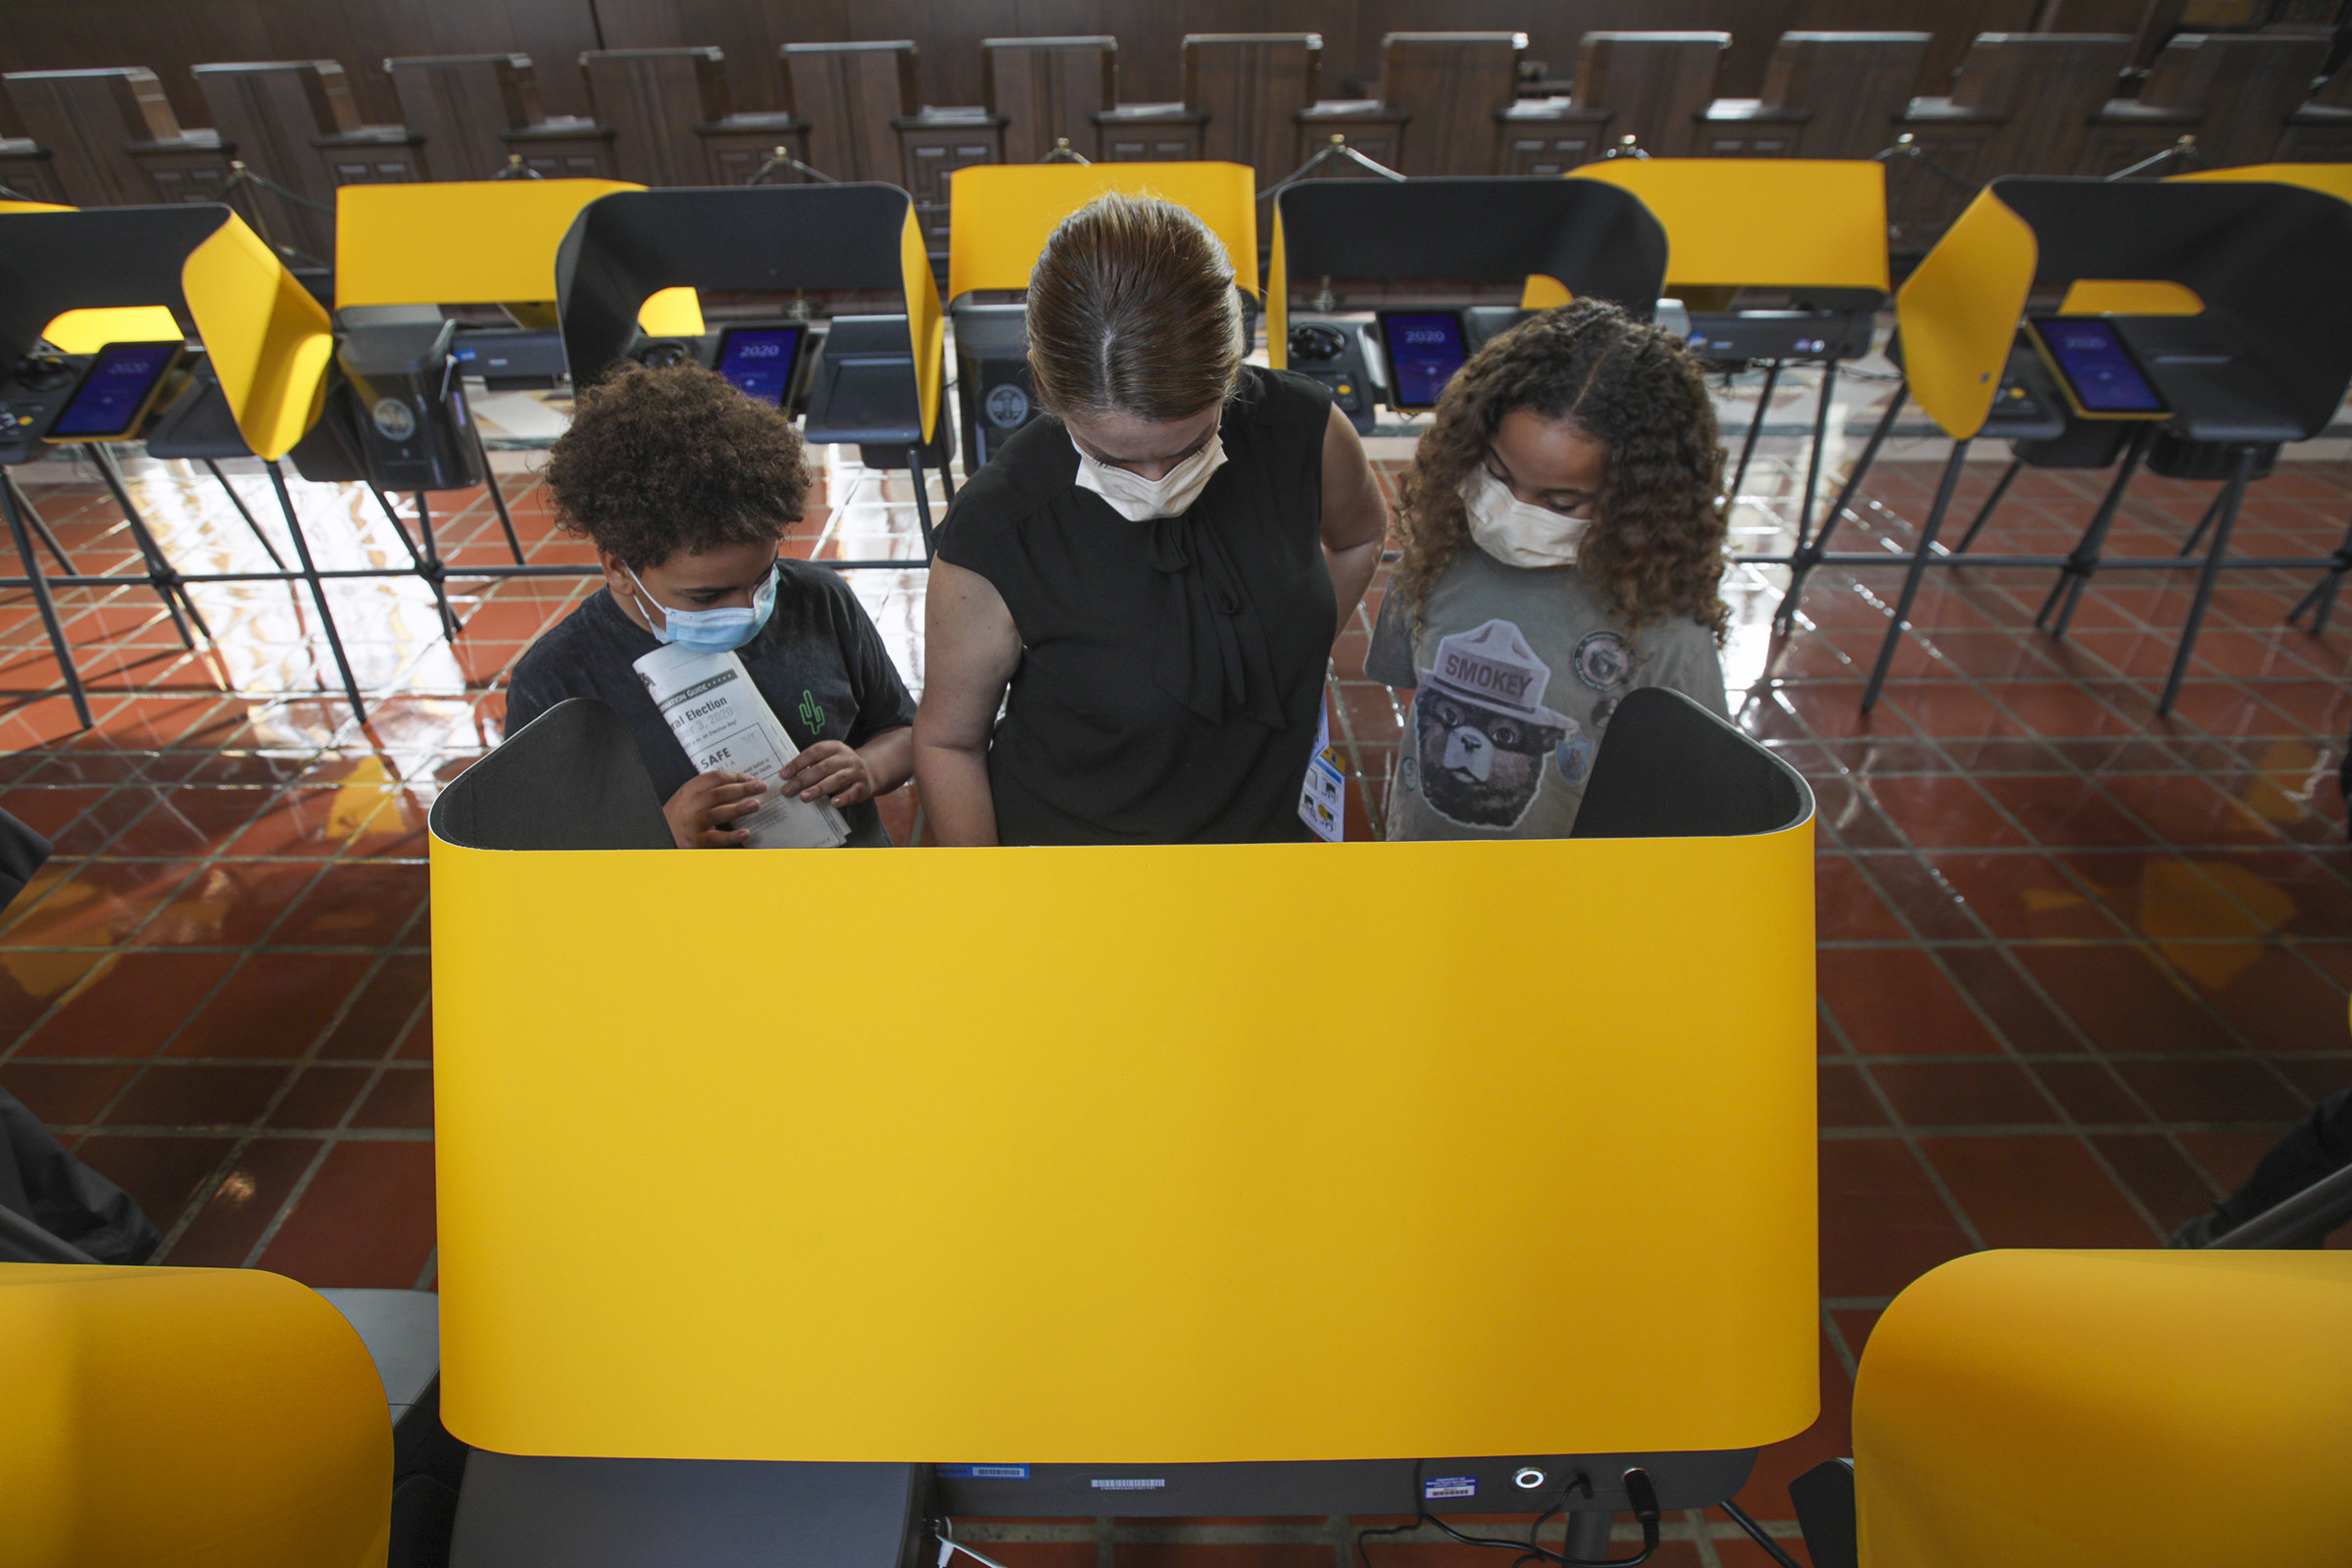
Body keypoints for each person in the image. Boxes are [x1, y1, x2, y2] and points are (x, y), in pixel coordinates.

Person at [914, 193, 1388, 846]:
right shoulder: (999, 527)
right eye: (1111, 456)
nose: (1156, 485)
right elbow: (948, 742)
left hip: (1273, 838)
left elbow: (1361, 536)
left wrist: (1283, 651)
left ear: (1231, 374)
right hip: (1081, 853)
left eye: (1189, 448)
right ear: (1046, 386)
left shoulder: (1303, 430)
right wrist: (989, 904)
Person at [505, 363, 915, 848]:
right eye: (706, 597)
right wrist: (661, 835)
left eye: (765, 579)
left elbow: (905, 733)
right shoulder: (558, 680)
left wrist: (869, 767)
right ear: (619, 570)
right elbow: (536, 849)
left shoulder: (820, 601)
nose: (746, 608)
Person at [1367, 301, 1730, 840]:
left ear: (1635, 502)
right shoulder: (1438, 555)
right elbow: (1415, 690)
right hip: (1422, 860)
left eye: (1560, 503)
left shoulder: (1664, 627)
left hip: (1563, 892)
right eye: (1496, 473)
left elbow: (1694, 792)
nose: (1512, 511)